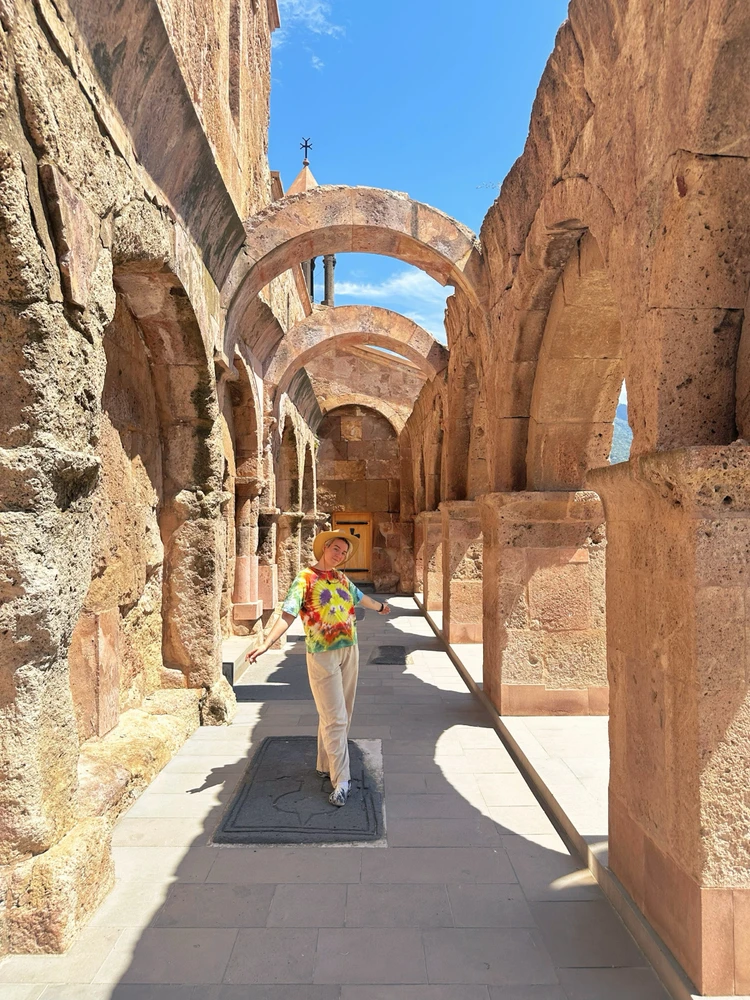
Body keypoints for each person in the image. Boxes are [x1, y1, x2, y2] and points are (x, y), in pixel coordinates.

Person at [247, 529, 390, 807]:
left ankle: (325, 763)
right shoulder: (305, 578)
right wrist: (266, 643)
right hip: (322, 654)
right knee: (335, 717)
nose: (339, 555)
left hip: (350, 649)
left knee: (342, 711)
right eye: (336, 549)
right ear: (325, 547)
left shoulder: (340, 578)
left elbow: (360, 597)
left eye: (344, 553)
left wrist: (381, 607)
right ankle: (342, 780)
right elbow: (288, 613)